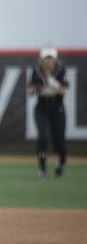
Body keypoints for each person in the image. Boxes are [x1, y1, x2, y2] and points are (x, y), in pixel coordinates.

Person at [28, 46, 68, 179]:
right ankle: (43, 169)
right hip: (42, 106)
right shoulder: (37, 72)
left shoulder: (60, 71)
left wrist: (52, 83)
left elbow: (63, 90)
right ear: (42, 60)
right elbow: (30, 91)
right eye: (47, 59)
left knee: (59, 140)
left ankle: (61, 163)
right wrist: (40, 87)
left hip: (57, 107)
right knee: (43, 137)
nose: (49, 62)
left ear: (55, 60)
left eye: (51, 59)